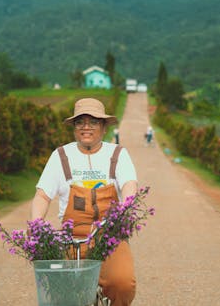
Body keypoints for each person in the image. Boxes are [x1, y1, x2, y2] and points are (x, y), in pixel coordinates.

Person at [31, 97, 138, 306]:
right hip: (71, 238)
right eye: (80, 122)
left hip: (110, 235)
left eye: (93, 121)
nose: (86, 127)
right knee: (63, 291)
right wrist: (36, 222)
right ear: (74, 127)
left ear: (104, 126)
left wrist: (127, 205)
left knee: (122, 283)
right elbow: (42, 195)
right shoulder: (61, 155)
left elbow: (129, 184)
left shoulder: (117, 154)